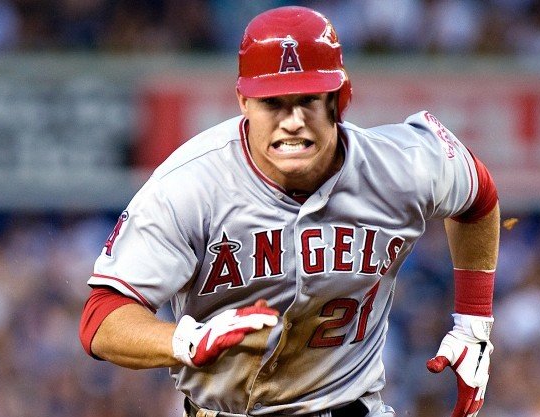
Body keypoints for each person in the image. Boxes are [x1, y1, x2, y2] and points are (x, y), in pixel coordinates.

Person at [79, 6, 499, 417]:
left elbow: (479, 196)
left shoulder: (401, 164)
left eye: (308, 99)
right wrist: (185, 341)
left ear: (340, 99)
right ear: (244, 102)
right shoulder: (190, 185)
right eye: (273, 103)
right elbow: (102, 317)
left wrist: (474, 324)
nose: (292, 120)